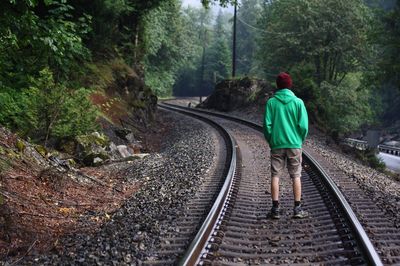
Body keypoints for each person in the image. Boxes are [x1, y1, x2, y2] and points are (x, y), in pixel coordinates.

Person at [263, 72, 309, 219]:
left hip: (277, 144)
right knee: (296, 175)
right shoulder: (298, 102)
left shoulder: (271, 102)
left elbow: (267, 125)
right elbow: (304, 126)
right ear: (290, 85)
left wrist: (271, 140)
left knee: (275, 175)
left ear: (277, 86)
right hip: (294, 144)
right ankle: (297, 208)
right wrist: (299, 140)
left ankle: (275, 209)